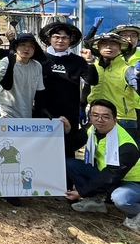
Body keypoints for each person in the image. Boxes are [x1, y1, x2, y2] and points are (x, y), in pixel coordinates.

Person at [63, 99, 140, 230]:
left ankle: (135, 214)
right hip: (106, 173)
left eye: (105, 116)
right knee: (70, 163)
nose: (99, 120)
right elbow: (72, 145)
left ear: (115, 120)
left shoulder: (127, 146)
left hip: (132, 182)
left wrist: (81, 192)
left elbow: (110, 176)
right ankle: (94, 201)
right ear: (90, 116)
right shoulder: (92, 129)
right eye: (95, 115)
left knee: (120, 198)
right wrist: (68, 131)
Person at [38, 21, 91, 157]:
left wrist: (89, 62)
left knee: (66, 150)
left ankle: (67, 178)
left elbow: (92, 80)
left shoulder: (78, 61)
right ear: (49, 39)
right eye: (56, 37)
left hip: (69, 113)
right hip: (43, 111)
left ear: (70, 40)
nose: (60, 40)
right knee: (42, 150)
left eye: (65, 37)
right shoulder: (39, 60)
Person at [87, 33, 138, 142]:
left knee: (125, 155)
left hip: (123, 119)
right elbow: (86, 87)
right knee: (97, 154)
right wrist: (82, 107)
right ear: (98, 47)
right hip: (97, 118)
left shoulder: (127, 69)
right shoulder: (93, 66)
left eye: (113, 44)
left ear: (120, 48)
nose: (109, 47)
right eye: (104, 43)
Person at [0, 33, 49, 119]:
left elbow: (39, 91)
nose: (26, 48)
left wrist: (42, 109)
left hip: (26, 113)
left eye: (31, 46)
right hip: (6, 113)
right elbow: (6, 85)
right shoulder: (5, 62)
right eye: (23, 45)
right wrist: (11, 65)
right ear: (16, 47)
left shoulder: (37, 66)